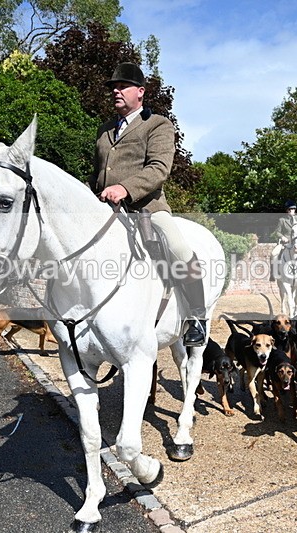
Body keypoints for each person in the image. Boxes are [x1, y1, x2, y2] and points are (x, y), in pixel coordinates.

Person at [89, 62, 206, 346]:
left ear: (140, 92)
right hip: (105, 210)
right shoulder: (105, 130)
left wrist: (125, 188)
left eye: (122, 86)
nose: (116, 91)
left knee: (179, 247)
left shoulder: (158, 124)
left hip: (147, 208)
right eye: (113, 87)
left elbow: (159, 169)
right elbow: (96, 174)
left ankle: (196, 318)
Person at [270, 200, 297, 278]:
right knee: (273, 254)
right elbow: (277, 232)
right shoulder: (282, 220)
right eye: (289, 209)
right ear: (286, 210)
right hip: (285, 243)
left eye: (293, 209)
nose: (291, 211)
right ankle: (273, 273)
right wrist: (282, 237)